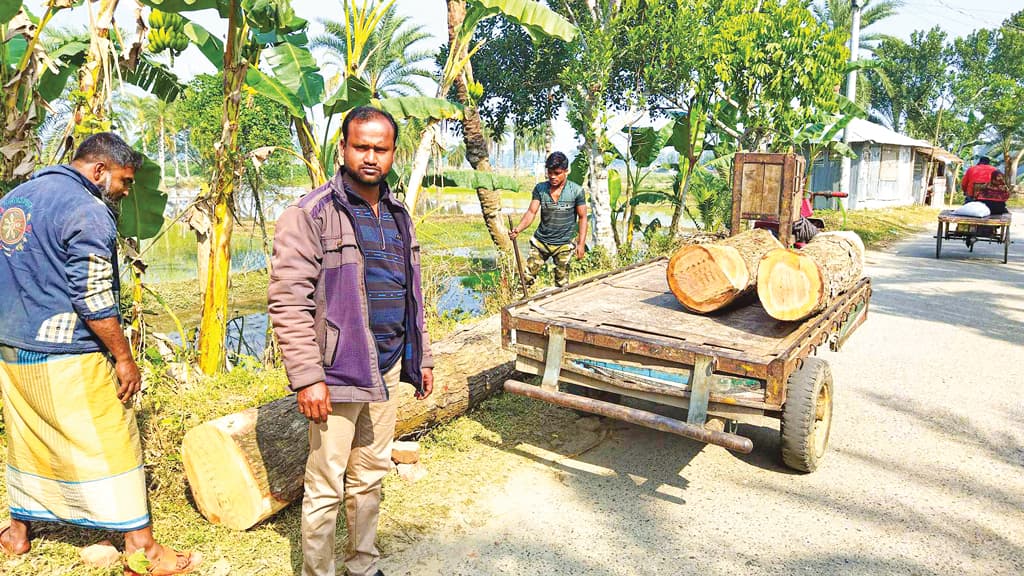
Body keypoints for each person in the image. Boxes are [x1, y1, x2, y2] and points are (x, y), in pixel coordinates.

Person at [0, 133, 201, 574]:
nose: (127, 192)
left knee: (28, 438)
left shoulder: (16, 199)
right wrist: (124, 357)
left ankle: (17, 534)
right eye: (125, 182)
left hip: (14, 347)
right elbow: (91, 294)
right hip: (68, 350)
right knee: (115, 438)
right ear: (98, 171)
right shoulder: (87, 210)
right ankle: (143, 548)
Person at [268, 106, 434, 576]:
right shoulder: (311, 213)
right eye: (360, 146)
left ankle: (362, 564)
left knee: (370, 475)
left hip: (384, 369)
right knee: (325, 484)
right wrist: (307, 377)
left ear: (393, 154)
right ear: (342, 148)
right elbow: (287, 301)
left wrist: (420, 356)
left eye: (380, 149)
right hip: (337, 372)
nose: (370, 157)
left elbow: (411, 294)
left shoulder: (400, 215)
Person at [509, 152, 588, 288]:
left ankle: (559, 307)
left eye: (557, 173)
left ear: (566, 171)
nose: (552, 176)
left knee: (562, 283)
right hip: (541, 243)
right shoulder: (541, 189)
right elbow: (531, 212)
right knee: (525, 278)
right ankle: (517, 305)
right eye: (550, 172)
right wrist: (518, 229)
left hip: (564, 244)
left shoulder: (576, 191)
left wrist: (581, 244)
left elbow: (583, 217)